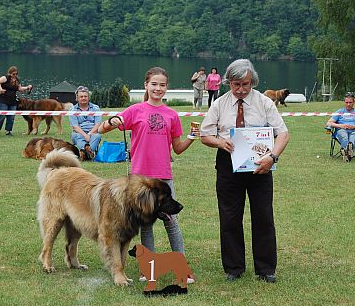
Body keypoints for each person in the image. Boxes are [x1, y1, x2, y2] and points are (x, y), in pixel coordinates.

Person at [99, 67, 198, 283]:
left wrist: (192, 136)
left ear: (166, 88)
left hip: (163, 177)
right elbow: (102, 129)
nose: (158, 88)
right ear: (146, 85)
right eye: (154, 84)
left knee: (171, 221)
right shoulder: (135, 110)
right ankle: (148, 269)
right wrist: (111, 122)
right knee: (145, 224)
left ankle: (183, 266)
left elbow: (178, 148)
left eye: (162, 85)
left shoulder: (172, 115)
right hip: (140, 180)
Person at [200, 59, 290, 283]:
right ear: (228, 82)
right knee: (229, 216)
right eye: (236, 84)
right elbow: (204, 134)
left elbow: (283, 133)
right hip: (227, 164)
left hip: (260, 165)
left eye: (246, 84)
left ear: (253, 82)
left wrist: (272, 157)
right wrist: (220, 143)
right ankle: (233, 267)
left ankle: (266, 269)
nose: (240, 90)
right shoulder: (219, 104)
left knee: (263, 216)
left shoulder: (264, 102)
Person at [0, 66, 32, 136]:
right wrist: (0, 89)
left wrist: (27, 87)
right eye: (13, 74)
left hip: (13, 101)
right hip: (3, 100)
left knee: (11, 117)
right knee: (2, 116)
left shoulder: (17, 80)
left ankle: (8, 131)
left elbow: (20, 89)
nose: (15, 75)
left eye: (16, 74)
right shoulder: (5, 78)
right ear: (10, 73)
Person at [326, 92, 355, 162]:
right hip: (341, 130)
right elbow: (329, 123)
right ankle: (348, 153)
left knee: (352, 139)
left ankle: (346, 153)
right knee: (344, 136)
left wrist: (353, 126)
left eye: (350, 102)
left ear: (354, 102)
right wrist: (340, 125)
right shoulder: (340, 111)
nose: (348, 104)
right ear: (344, 102)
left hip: (354, 130)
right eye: (347, 102)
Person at [68, 86, 102, 159]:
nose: (83, 98)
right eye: (81, 96)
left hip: (93, 132)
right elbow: (75, 127)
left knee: (97, 136)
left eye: (85, 96)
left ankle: (85, 153)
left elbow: (98, 124)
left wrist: (89, 134)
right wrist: (85, 135)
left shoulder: (96, 108)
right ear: (77, 98)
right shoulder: (72, 110)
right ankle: (88, 152)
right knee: (76, 136)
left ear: (88, 97)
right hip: (79, 132)